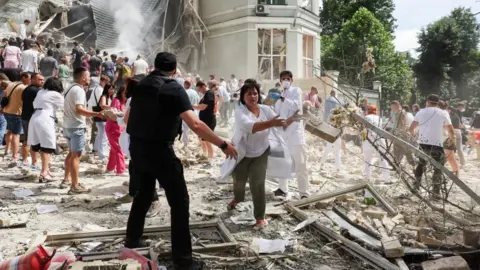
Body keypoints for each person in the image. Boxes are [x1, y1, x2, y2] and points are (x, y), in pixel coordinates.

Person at [125, 52, 237, 269]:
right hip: (159, 151)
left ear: (154, 66)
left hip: (137, 148)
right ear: (175, 70)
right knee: (180, 202)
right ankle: (183, 261)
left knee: (144, 194)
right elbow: (196, 125)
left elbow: (130, 117)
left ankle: (132, 239)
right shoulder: (173, 88)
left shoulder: (141, 84)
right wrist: (223, 144)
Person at [227, 81, 290, 229]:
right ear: (243, 96)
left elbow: (279, 120)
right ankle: (237, 198)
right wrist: (272, 123)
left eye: (255, 93)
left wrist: (288, 120)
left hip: (261, 151)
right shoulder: (240, 111)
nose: (253, 96)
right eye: (249, 93)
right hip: (242, 152)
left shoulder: (265, 109)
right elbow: (251, 127)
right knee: (239, 180)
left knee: (258, 184)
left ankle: (260, 218)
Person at [62, 67, 103, 194]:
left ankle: (66, 179)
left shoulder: (69, 88)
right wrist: (97, 114)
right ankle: (75, 186)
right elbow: (79, 109)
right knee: (76, 156)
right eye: (89, 76)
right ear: (83, 77)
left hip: (67, 126)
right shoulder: (79, 90)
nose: (90, 79)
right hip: (76, 127)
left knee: (71, 154)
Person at [409, 94, 454, 198]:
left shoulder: (421, 112)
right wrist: (451, 140)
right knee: (438, 168)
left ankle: (416, 187)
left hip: (423, 144)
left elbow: (411, 128)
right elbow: (451, 131)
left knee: (421, 165)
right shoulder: (443, 113)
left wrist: (414, 137)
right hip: (437, 145)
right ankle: (435, 192)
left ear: (427, 101)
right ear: (438, 103)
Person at [273, 70, 309, 199]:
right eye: (283, 79)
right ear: (280, 81)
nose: (285, 81)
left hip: (295, 134)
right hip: (282, 134)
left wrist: (282, 98)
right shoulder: (278, 96)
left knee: (301, 164)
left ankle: (304, 193)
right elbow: (276, 113)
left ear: (292, 80)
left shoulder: (296, 91)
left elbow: (296, 107)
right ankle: (283, 189)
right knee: (282, 163)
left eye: (288, 79)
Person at [28, 78, 64, 182]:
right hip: (45, 119)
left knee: (36, 145)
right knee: (46, 147)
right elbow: (65, 106)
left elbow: (34, 104)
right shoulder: (55, 94)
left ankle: (45, 169)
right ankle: (44, 172)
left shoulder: (41, 92)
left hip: (35, 117)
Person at [3, 72, 30, 162]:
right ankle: (15, 155)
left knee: (9, 131)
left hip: (7, 111)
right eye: (29, 79)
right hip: (17, 113)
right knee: (16, 134)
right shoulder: (23, 87)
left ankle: (7, 150)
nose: (30, 81)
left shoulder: (11, 84)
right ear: (23, 77)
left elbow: (4, 95)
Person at [21, 73, 44, 168]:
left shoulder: (26, 89)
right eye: (40, 79)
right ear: (33, 79)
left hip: (25, 117)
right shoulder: (37, 91)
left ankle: (25, 160)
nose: (42, 81)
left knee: (27, 140)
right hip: (32, 118)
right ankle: (34, 162)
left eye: (43, 80)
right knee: (34, 141)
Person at [363, 105, 390, 183]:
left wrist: (363, 139)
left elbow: (364, 129)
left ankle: (367, 178)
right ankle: (387, 179)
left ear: (368, 110)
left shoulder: (366, 117)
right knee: (382, 159)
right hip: (379, 141)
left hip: (368, 141)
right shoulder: (379, 118)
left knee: (368, 160)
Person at [194, 80, 217, 165]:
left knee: (208, 140)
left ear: (203, 86)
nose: (200, 91)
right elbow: (200, 106)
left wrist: (192, 106)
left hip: (209, 121)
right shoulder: (205, 95)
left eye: (199, 89)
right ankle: (205, 155)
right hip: (204, 121)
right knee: (201, 138)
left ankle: (210, 161)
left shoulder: (209, 93)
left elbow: (203, 107)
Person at [105, 86, 127, 175]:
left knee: (114, 149)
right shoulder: (116, 101)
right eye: (125, 93)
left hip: (117, 128)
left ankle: (110, 168)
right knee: (118, 148)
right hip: (113, 128)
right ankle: (120, 170)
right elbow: (113, 114)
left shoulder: (123, 102)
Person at [89, 76, 111, 162]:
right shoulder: (100, 90)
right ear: (103, 81)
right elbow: (102, 104)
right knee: (103, 134)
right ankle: (102, 154)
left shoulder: (95, 88)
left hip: (94, 112)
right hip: (100, 114)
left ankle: (96, 149)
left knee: (99, 132)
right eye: (107, 82)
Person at [182, 79, 200, 147]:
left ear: (186, 85)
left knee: (185, 128)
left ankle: (185, 143)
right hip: (195, 111)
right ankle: (200, 141)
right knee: (197, 127)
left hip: (187, 112)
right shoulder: (195, 92)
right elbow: (198, 100)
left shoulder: (184, 92)